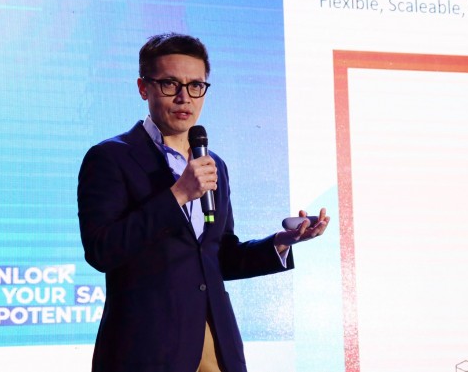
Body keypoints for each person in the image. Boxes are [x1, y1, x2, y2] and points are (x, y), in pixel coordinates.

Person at [77, 33, 329, 372]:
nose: (184, 97)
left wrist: (281, 243)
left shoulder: (214, 165)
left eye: (196, 85)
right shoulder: (111, 157)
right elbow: (101, 251)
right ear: (143, 88)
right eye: (170, 84)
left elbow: (218, 257)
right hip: (146, 350)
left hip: (216, 345)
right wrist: (178, 195)